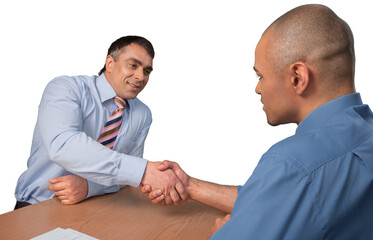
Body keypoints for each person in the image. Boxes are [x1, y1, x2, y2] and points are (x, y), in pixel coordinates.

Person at [143, 4, 373, 239]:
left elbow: (294, 186)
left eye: (261, 75)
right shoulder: (365, 134)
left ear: (297, 78)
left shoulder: (292, 164)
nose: (257, 88)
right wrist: (190, 186)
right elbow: (281, 199)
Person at [14, 35, 187, 210]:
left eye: (147, 71)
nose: (140, 76)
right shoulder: (65, 88)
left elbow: (128, 178)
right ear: (110, 63)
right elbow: (64, 146)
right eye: (133, 65)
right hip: (37, 206)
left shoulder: (142, 114)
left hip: (95, 208)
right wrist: (143, 171)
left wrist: (89, 187)